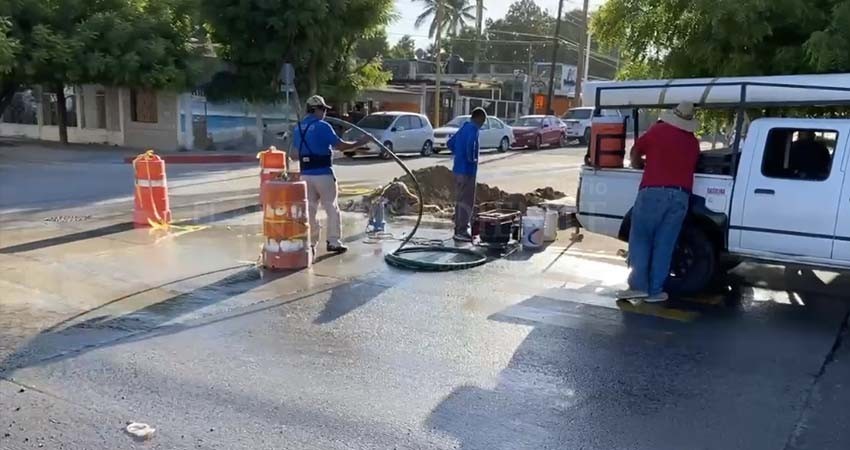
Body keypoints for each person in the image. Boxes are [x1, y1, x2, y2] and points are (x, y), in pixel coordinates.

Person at [618, 101, 700, 302]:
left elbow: (636, 152)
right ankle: (655, 290)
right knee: (665, 244)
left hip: (653, 193)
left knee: (642, 240)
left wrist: (640, 165)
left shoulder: (658, 131)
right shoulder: (693, 142)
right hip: (681, 196)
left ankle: (639, 286)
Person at [292, 95, 370, 255]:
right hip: (323, 173)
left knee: (310, 209)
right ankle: (333, 242)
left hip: (305, 174)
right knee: (331, 207)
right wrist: (360, 143)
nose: (325, 113)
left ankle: (311, 243)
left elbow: (294, 154)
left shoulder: (298, 128)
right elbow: (341, 146)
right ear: (316, 109)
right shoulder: (323, 126)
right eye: (323, 109)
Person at [448, 107, 486, 241]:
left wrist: (459, 154)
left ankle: (458, 228)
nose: (482, 125)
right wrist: (471, 159)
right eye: (483, 121)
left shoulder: (463, 128)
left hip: (457, 169)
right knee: (467, 201)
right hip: (468, 172)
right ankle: (462, 231)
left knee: (459, 200)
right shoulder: (473, 130)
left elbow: (450, 143)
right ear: (479, 119)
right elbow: (471, 144)